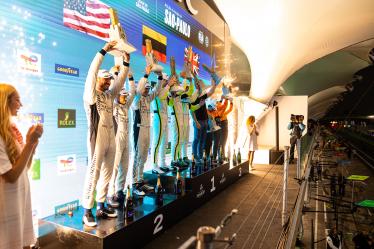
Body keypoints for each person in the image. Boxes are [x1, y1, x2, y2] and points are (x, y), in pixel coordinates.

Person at [82, 41, 130, 227]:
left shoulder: (110, 95)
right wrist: (103, 51)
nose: (109, 82)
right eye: (105, 79)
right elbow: (92, 73)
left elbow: (120, 82)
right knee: (94, 173)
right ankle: (87, 210)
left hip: (112, 136)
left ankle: (101, 206)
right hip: (97, 137)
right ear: (98, 80)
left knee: (107, 173)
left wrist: (126, 63)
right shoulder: (90, 95)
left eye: (110, 80)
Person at [0, 83, 43, 249]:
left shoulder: (12, 129)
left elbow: (24, 168)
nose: (21, 105)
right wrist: (29, 143)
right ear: (5, 101)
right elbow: (11, 176)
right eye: (17, 100)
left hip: (19, 201)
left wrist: (32, 145)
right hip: (6, 206)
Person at [131, 67, 174, 196]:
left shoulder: (148, 99)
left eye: (148, 88)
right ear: (141, 88)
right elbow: (138, 92)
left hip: (147, 129)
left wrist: (160, 77)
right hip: (138, 129)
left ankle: (140, 181)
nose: (148, 90)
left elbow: (157, 90)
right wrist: (146, 74)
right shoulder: (136, 100)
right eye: (146, 88)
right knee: (138, 157)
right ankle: (134, 184)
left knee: (144, 157)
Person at [107, 71, 136, 207]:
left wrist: (130, 78)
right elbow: (113, 90)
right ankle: (110, 194)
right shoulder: (113, 105)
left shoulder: (126, 106)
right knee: (115, 167)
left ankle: (119, 190)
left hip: (127, 139)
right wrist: (115, 75)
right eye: (123, 96)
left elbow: (134, 92)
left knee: (125, 166)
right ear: (117, 96)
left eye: (125, 96)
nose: (125, 98)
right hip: (117, 138)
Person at [190, 66, 219, 161]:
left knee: (202, 140)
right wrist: (196, 122)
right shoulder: (193, 96)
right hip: (198, 121)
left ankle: (200, 156)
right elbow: (192, 110)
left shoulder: (202, 95)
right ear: (195, 85)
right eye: (197, 84)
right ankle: (195, 157)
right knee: (196, 139)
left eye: (200, 84)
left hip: (205, 121)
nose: (199, 85)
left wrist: (214, 80)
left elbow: (211, 91)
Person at [150, 74, 171, 174]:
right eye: (165, 80)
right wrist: (168, 86)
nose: (166, 82)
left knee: (164, 142)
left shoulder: (165, 90)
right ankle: (154, 165)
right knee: (157, 142)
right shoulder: (156, 89)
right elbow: (161, 94)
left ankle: (162, 163)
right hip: (158, 118)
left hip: (165, 117)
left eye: (167, 81)